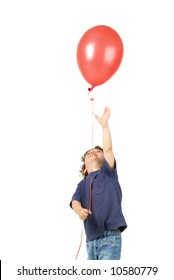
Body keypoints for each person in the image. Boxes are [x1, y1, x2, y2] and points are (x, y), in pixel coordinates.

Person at [70, 107, 127, 260]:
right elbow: (74, 201)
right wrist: (79, 210)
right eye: (89, 153)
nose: (93, 152)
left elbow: (108, 149)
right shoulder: (82, 184)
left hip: (110, 237)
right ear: (85, 167)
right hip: (90, 240)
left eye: (97, 151)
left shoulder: (108, 173)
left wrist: (104, 126)